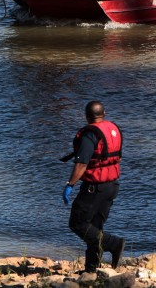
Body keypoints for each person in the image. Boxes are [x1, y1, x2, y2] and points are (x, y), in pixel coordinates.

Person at [62, 101, 125, 273]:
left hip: (95, 187)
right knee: (95, 228)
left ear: (87, 116)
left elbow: (82, 164)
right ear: (104, 113)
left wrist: (70, 184)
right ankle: (91, 269)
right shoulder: (114, 129)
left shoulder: (89, 135)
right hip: (112, 185)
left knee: (77, 223)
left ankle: (114, 244)